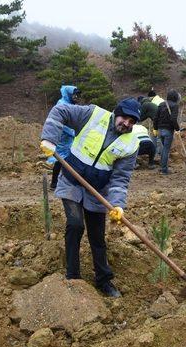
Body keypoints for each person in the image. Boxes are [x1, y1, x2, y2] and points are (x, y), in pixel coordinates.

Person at [39, 97, 141, 298]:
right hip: (71, 181)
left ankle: (104, 280)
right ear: (116, 112)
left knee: (97, 237)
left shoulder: (131, 145)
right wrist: (50, 139)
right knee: (75, 225)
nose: (127, 124)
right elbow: (61, 111)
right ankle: (73, 276)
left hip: (97, 192)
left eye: (132, 121)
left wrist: (118, 205)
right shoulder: (93, 114)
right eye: (124, 118)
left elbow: (121, 178)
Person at [49, 85, 79, 189]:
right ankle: (54, 183)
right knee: (60, 158)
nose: (76, 97)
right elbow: (61, 122)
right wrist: (72, 132)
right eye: (74, 95)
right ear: (68, 94)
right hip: (63, 136)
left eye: (76, 95)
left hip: (70, 136)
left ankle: (65, 181)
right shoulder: (61, 104)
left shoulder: (71, 104)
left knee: (69, 158)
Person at [152, 90, 180, 175]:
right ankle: (164, 169)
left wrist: (155, 128)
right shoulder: (175, 106)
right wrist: (177, 129)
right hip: (168, 131)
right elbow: (173, 119)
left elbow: (156, 118)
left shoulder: (161, 104)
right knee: (166, 150)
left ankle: (162, 167)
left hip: (160, 130)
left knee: (164, 149)